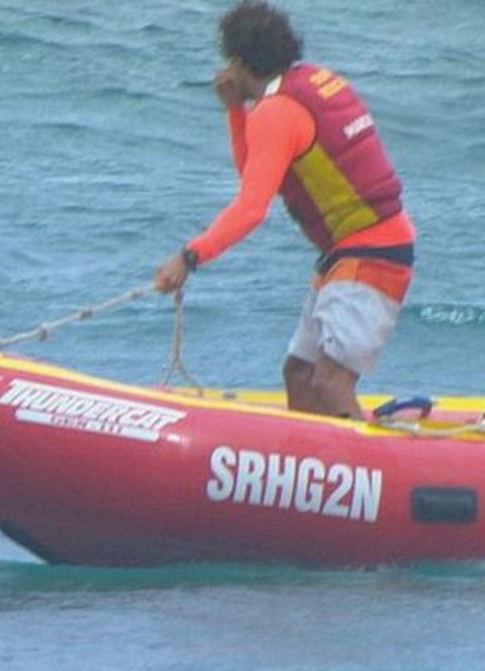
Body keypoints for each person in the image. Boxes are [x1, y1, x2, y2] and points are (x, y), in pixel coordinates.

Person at [153, 0, 416, 420]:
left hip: (372, 254)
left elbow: (251, 207)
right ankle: (313, 466)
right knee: (299, 373)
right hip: (351, 252)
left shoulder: (277, 112)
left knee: (329, 381)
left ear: (239, 62)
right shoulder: (311, 80)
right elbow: (258, 174)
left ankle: (368, 469)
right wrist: (236, 112)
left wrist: (189, 257)